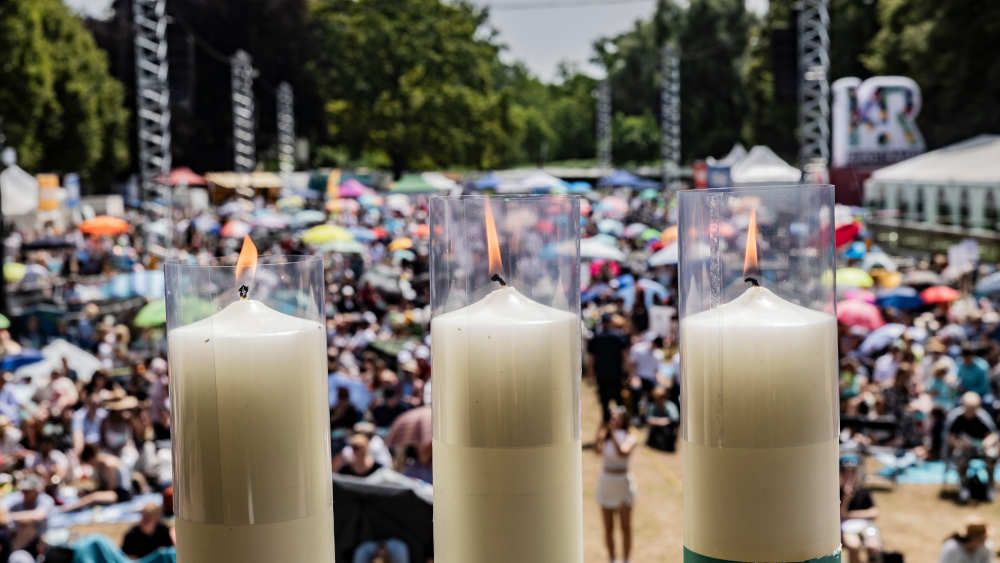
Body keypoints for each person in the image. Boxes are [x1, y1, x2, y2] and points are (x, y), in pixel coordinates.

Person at [596, 408, 637, 563]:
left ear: (624, 420)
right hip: (607, 481)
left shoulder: (630, 436)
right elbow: (597, 451)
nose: (612, 420)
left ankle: (626, 559)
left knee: (625, 526)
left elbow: (622, 452)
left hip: (623, 482)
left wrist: (612, 434)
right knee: (608, 527)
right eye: (611, 417)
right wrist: (600, 431)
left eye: (616, 417)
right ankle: (612, 559)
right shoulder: (606, 437)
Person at [946, 392, 998, 503]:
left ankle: (990, 486)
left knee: (992, 455)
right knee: (959, 456)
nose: (971, 412)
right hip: (964, 449)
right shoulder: (956, 417)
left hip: (981, 449)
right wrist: (958, 444)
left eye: (973, 409)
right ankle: (964, 486)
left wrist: (986, 443)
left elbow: (993, 435)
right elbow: (949, 437)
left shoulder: (983, 416)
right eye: (968, 408)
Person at [2, 474, 55, 558]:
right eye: (23, 490)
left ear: (37, 491)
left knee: (28, 526)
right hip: (14, 535)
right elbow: (1, 509)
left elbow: (38, 515)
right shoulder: (18, 496)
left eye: (27, 491)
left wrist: (11, 516)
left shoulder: (45, 499)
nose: (24, 493)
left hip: (40, 540)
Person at [588, 314, 629, 423]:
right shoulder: (618, 336)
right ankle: (622, 424)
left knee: (604, 401)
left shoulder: (596, 338)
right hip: (616, 374)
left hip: (601, 375)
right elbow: (625, 356)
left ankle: (607, 423)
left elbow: (591, 359)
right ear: (610, 323)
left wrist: (591, 374)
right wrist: (627, 372)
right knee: (619, 400)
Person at [839, 455, 881, 563]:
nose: (849, 475)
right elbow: (841, 516)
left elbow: (874, 513)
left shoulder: (863, 491)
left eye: (852, 472)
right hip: (846, 527)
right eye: (845, 472)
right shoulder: (837, 492)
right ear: (840, 474)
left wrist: (850, 515)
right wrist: (846, 499)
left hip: (865, 525)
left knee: (873, 546)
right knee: (854, 545)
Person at [645, 386, 679, 452]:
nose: (659, 399)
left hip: (667, 430)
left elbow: (674, 419)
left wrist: (657, 421)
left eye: (662, 396)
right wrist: (661, 421)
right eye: (657, 397)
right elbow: (648, 419)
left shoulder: (670, 406)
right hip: (656, 429)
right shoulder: (652, 406)